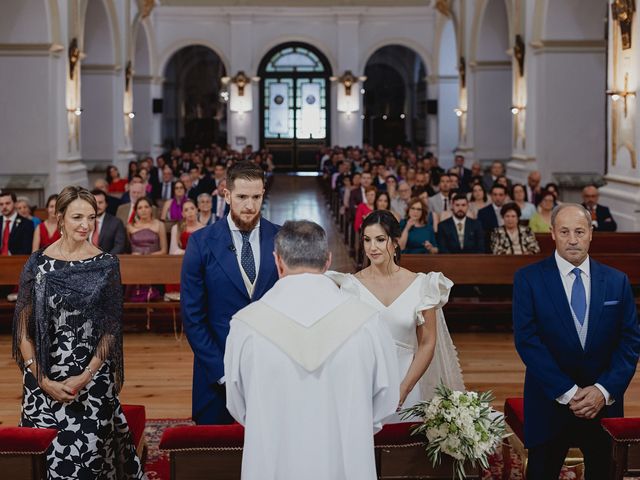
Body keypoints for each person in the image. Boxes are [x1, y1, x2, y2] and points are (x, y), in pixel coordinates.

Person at [225, 220, 399, 480]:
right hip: (346, 460)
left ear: (277, 261)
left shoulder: (246, 324)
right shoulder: (367, 321)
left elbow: (238, 404)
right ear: (328, 261)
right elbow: (386, 400)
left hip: (272, 460)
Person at [12, 186, 144, 479]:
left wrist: (85, 376)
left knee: (87, 464)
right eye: (77, 217)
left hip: (91, 379)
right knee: (44, 464)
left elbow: (110, 330)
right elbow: (23, 328)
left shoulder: (106, 265)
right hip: (42, 376)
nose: (85, 225)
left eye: (91, 217)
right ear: (59, 218)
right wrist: (41, 378)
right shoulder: (37, 263)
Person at [513, 203, 640, 480]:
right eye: (565, 231)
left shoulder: (616, 281)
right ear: (553, 233)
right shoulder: (528, 280)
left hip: (602, 406)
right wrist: (569, 393)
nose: (573, 239)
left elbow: (629, 342)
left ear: (591, 234)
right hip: (549, 403)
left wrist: (602, 390)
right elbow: (528, 341)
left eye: (580, 231)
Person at [328, 210, 464, 421]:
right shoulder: (350, 287)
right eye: (367, 240)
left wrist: (403, 390)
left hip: (407, 381)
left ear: (395, 242)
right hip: (364, 383)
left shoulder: (422, 286)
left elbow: (428, 343)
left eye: (380, 240)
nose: (372, 247)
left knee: (403, 444)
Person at [182, 161, 280, 425]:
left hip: (270, 370)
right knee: (218, 460)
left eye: (256, 197)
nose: (250, 205)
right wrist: (222, 372)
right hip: (216, 374)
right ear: (226, 195)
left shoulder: (281, 238)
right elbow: (193, 317)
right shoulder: (201, 243)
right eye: (242, 197)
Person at [91, 189, 126, 254]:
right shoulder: (84, 222)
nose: (97, 206)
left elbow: (119, 246)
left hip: (108, 261)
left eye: (100, 202)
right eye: (94, 202)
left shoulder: (116, 222)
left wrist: (107, 259)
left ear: (106, 204)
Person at [0, 191, 35, 255]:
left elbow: (27, 249)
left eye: (7, 203)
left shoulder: (27, 224)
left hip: (16, 262)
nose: (4, 206)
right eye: (1, 204)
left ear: (15, 204)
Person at [477, 184, 508, 248]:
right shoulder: (483, 212)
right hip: (491, 246)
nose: (498, 197)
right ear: (491, 196)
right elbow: (482, 234)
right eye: (495, 195)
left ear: (505, 196)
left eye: (501, 195)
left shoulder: (510, 210)